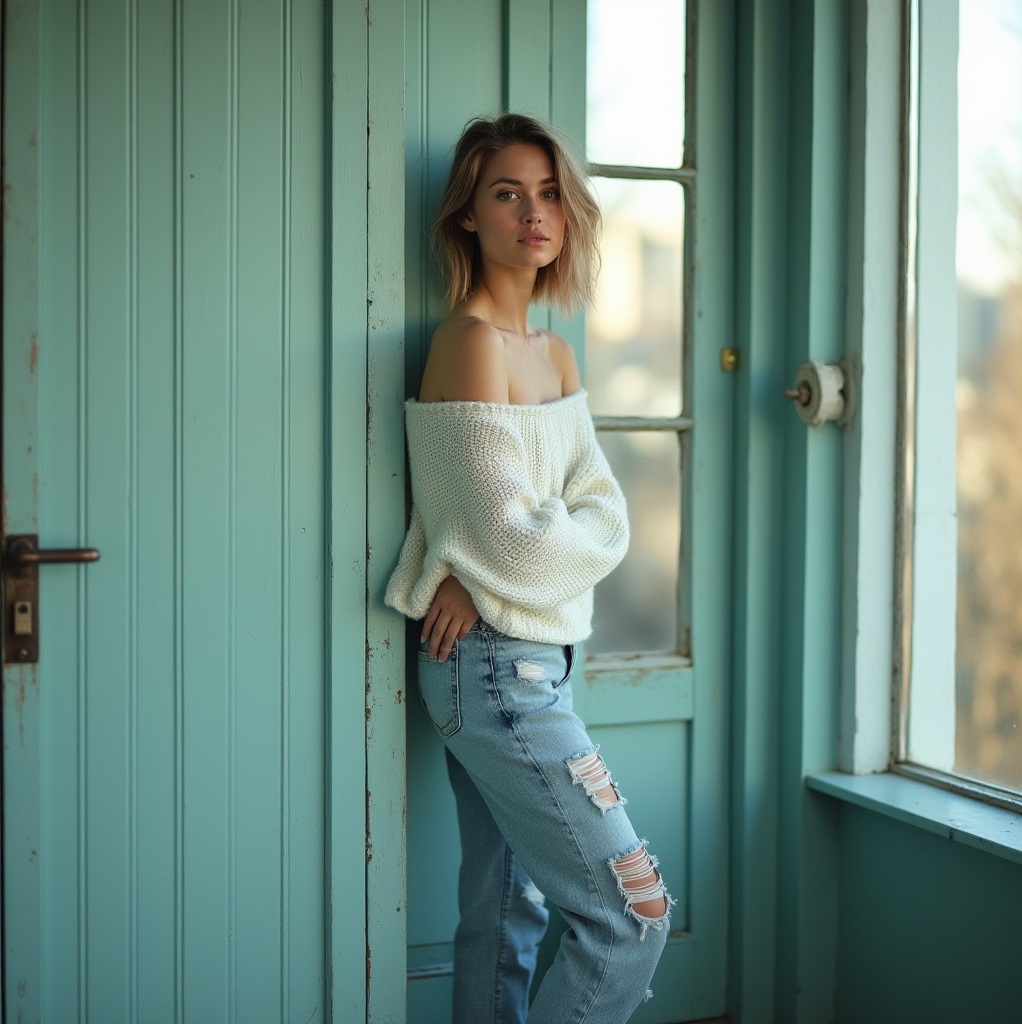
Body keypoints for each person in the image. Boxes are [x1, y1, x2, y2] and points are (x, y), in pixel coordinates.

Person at [386, 113, 671, 1024]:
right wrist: (483, 558)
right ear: (468, 214)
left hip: (532, 659)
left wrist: (483, 561)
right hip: (495, 670)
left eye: (549, 192)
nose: (533, 213)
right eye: (507, 192)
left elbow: (606, 517)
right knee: (635, 913)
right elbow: (516, 535)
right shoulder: (467, 342)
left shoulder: (555, 354)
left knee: (509, 912)